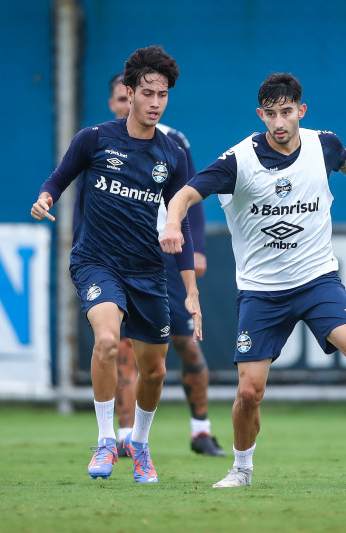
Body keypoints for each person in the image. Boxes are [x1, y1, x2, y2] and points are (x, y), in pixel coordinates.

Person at [161, 73, 346, 488]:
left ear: (301, 111)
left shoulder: (323, 144)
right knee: (249, 393)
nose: (279, 123)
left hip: (318, 281)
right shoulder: (237, 161)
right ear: (260, 114)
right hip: (262, 293)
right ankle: (241, 469)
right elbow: (185, 194)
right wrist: (173, 223)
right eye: (271, 114)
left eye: (287, 112)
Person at [31, 45, 201, 484]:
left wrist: (191, 292)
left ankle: (140, 446)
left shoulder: (172, 156)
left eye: (163, 95)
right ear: (129, 93)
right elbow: (60, 177)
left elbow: (178, 225)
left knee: (155, 369)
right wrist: (45, 197)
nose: (155, 102)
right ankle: (107, 440)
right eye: (147, 93)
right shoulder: (95, 138)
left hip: (147, 271)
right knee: (107, 340)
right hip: (97, 262)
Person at [101, 73, 224, 457]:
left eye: (157, 95)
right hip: (120, 255)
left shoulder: (174, 144)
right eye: (124, 98)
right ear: (118, 102)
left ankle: (201, 431)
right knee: (122, 347)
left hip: (167, 256)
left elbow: (191, 198)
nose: (133, 103)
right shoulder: (102, 141)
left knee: (186, 344)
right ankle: (123, 436)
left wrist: (197, 248)